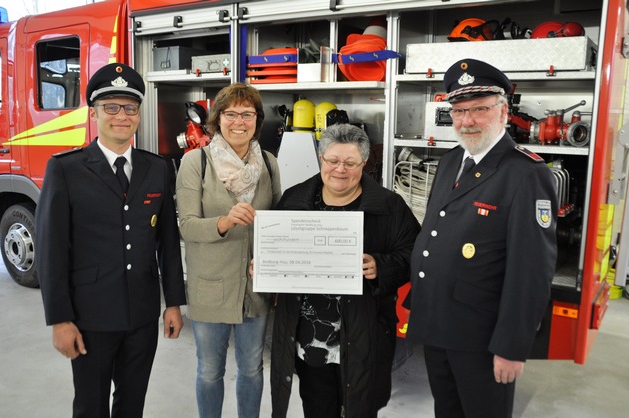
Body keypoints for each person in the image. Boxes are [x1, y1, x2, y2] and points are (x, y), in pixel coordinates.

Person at [405, 58, 558, 418]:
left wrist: (512, 346)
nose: (467, 120)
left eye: (479, 110)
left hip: (482, 336)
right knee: (447, 410)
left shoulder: (526, 174)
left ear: (503, 111)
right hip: (437, 322)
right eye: (459, 111)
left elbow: (532, 270)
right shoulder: (449, 161)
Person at [36, 63, 187, 418]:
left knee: (132, 405)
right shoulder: (66, 169)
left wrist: (174, 303)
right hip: (90, 316)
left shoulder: (157, 167)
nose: (122, 116)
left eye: (130, 108)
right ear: (94, 113)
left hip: (143, 314)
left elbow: (167, 239)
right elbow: (51, 251)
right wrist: (59, 319)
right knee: (90, 407)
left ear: (138, 115)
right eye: (111, 107)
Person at [269, 123, 421, 418]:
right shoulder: (294, 200)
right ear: (320, 158)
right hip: (311, 342)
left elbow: (414, 255)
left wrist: (382, 266)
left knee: (360, 410)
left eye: (351, 163)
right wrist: (264, 266)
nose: (340, 169)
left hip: (363, 340)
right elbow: (275, 249)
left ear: (363, 164)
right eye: (333, 160)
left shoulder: (389, 207)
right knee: (317, 408)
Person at [176, 82, 281, 418]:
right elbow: (186, 225)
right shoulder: (196, 162)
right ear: (217, 119)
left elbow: (277, 225)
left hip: (254, 288)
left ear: (257, 120)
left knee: (251, 368)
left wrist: (274, 261)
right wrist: (222, 222)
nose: (239, 121)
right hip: (210, 286)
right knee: (210, 370)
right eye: (231, 113)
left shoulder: (268, 162)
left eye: (247, 114)